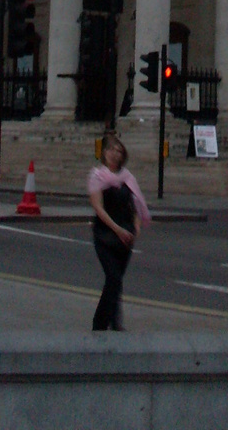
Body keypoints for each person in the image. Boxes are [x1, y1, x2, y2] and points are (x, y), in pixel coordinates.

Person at [88, 133, 150, 331]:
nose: (115, 154)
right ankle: (99, 324)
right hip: (105, 235)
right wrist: (117, 229)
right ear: (104, 153)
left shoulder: (127, 178)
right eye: (111, 150)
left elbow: (134, 206)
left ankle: (116, 323)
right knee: (113, 278)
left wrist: (136, 227)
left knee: (116, 282)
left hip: (125, 238)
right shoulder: (97, 176)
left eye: (119, 151)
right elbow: (98, 208)